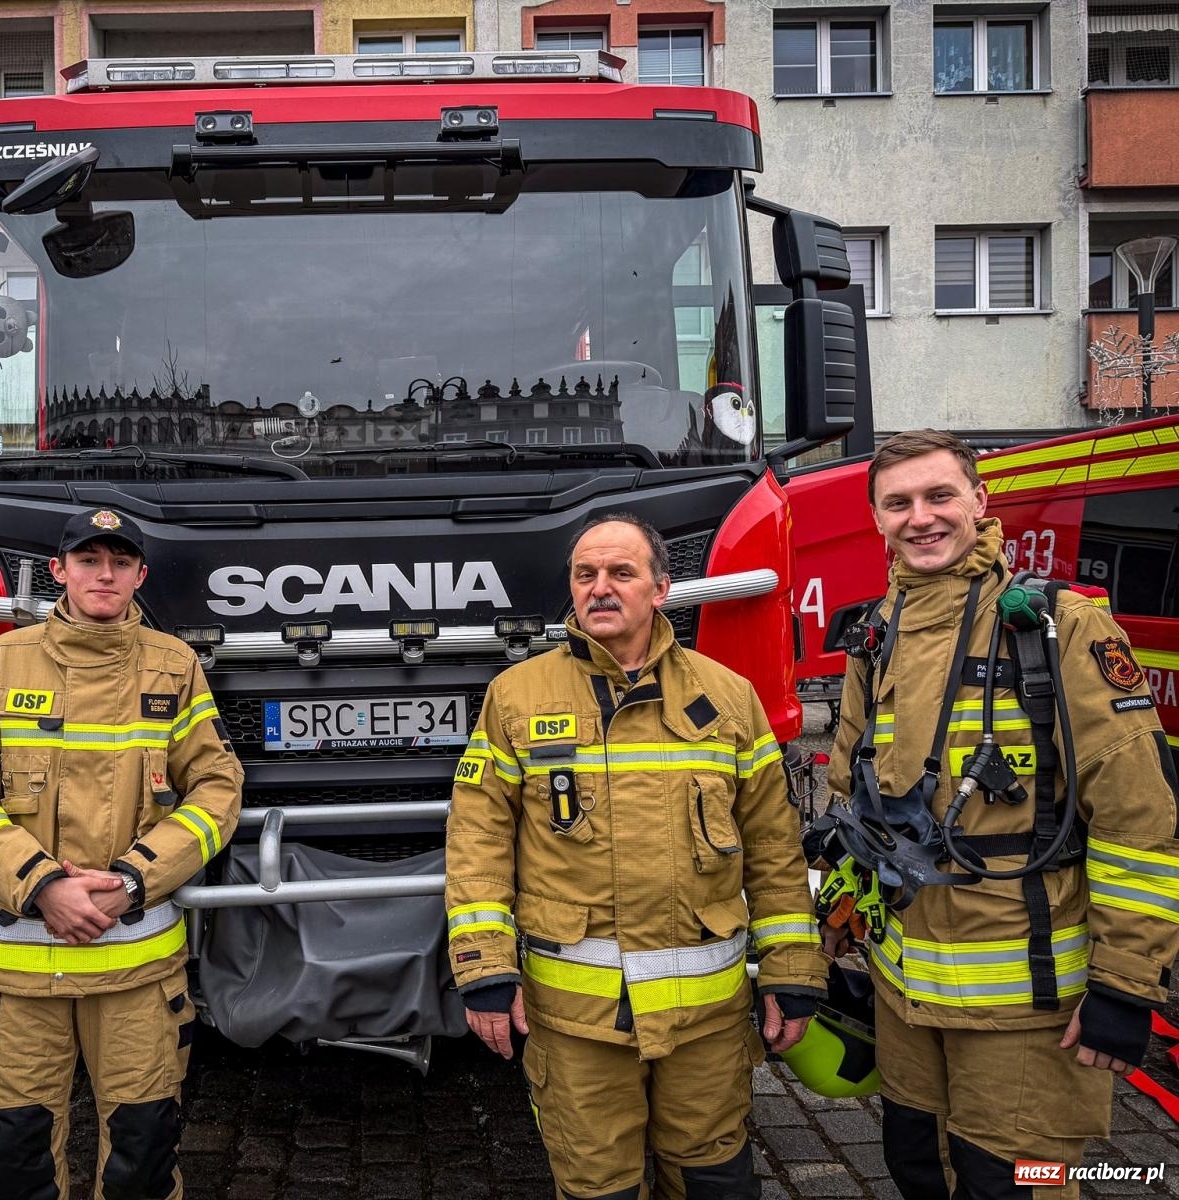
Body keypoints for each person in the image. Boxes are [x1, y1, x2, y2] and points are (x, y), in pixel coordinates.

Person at [818, 428, 1179, 1199]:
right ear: (876, 518)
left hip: (1025, 1006)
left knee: (1013, 1184)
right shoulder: (875, 635)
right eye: (898, 503)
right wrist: (838, 915)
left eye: (939, 495)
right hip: (904, 999)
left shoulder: (1057, 627)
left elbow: (1140, 821)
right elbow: (854, 797)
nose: (920, 517)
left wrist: (1125, 986)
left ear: (980, 501)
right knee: (918, 1167)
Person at [445, 512, 827, 1200]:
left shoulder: (728, 697)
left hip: (707, 1024)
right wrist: (484, 970)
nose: (600, 587)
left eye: (621, 572)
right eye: (585, 574)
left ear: (660, 589)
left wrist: (793, 970)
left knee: (715, 1181)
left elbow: (774, 849)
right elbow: (479, 842)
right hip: (577, 1025)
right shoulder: (515, 697)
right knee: (598, 1186)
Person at [0, 508, 242, 1200]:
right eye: (88, 561)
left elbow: (218, 788)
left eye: (119, 563)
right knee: (14, 1162)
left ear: (140, 575)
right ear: (59, 571)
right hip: (21, 977)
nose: (104, 575)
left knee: (143, 1159)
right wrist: (42, 885)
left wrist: (133, 879)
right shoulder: (1, 661)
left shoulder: (174, 665)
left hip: (138, 973)